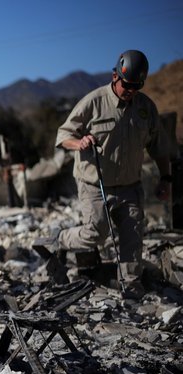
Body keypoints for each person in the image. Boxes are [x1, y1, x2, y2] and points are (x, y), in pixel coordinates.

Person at [55, 49, 171, 299]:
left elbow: (160, 148)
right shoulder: (93, 101)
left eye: (136, 86)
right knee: (96, 233)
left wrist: (166, 179)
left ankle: (130, 288)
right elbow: (64, 135)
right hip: (94, 184)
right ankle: (61, 239)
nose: (130, 90)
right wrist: (80, 143)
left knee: (132, 236)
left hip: (130, 186)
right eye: (127, 84)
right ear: (115, 76)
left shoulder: (145, 108)